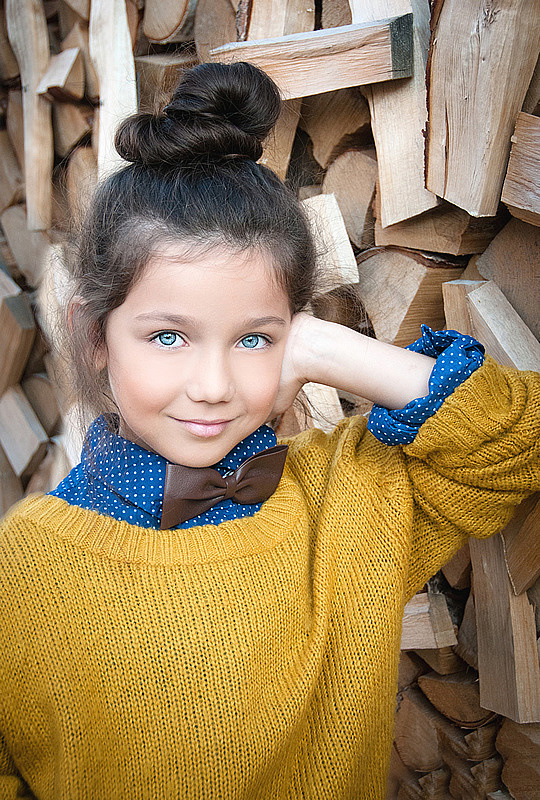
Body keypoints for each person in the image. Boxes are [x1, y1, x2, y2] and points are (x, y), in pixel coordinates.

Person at [0, 62, 538, 800]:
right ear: (93, 336)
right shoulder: (21, 569)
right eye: (167, 337)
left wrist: (340, 352)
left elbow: (517, 441)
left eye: (254, 339)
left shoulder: (351, 503)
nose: (214, 387)